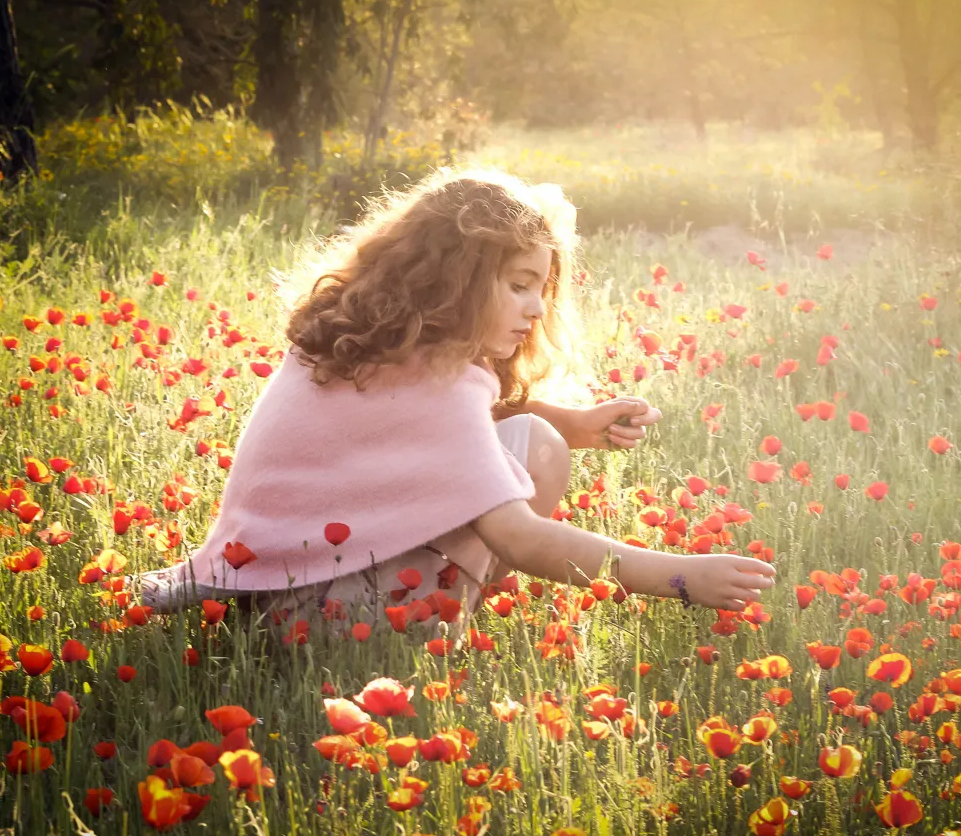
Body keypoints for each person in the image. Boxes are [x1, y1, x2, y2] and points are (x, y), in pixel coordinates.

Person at [129, 167, 776, 638]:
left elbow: (444, 436)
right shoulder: (439, 381)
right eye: (520, 285)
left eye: (543, 289)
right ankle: (433, 640)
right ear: (454, 280)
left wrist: (576, 426)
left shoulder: (371, 342)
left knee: (538, 443)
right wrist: (683, 578)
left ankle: (438, 619)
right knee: (515, 474)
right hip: (326, 620)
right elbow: (519, 539)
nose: (538, 307)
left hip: (273, 588)